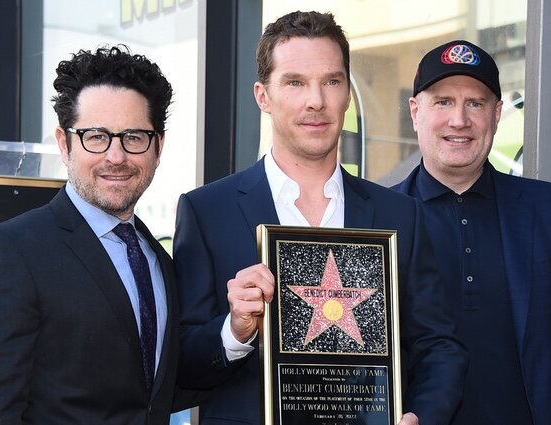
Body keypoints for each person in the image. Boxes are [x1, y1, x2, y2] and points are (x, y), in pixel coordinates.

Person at [173, 11, 466, 425]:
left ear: (347, 93)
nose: (317, 101)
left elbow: (440, 347)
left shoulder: (401, 216)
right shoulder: (206, 211)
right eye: (295, 82)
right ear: (262, 96)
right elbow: (180, 363)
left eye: (332, 81)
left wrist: (421, 416)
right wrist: (235, 330)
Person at [0, 46, 186, 424]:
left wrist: (235, 335)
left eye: (134, 137)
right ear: (65, 144)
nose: (116, 156)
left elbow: (153, 391)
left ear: (158, 147)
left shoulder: (157, 259)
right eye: (96, 137)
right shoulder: (11, 252)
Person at [393, 40, 551, 425]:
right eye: (443, 102)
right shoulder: (379, 221)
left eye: (475, 103)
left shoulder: (550, 209)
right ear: (416, 112)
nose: (459, 120)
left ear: (496, 115)